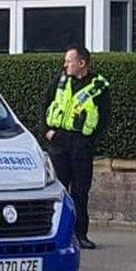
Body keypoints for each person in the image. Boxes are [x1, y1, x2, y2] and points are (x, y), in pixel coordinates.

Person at [42, 45, 111, 250]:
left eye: (69, 61)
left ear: (82, 63)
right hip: (60, 142)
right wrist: (46, 130)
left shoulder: (98, 86)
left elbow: (104, 118)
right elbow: (45, 103)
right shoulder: (60, 81)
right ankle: (58, 235)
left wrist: (90, 142)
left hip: (81, 144)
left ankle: (80, 235)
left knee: (81, 191)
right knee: (59, 190)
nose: (65, 65)